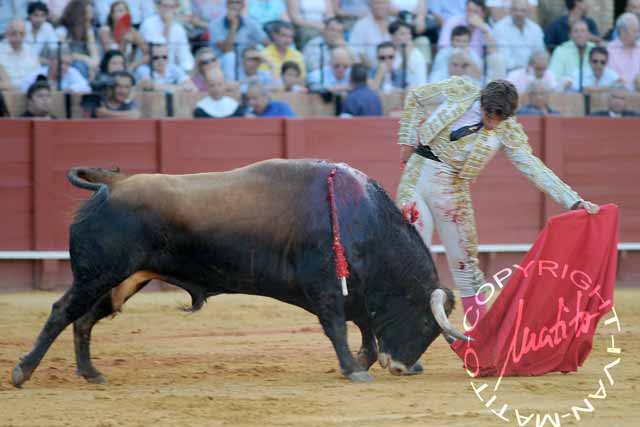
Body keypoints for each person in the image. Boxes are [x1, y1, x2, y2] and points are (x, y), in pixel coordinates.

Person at [396, 76, 599, 325]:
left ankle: (480, 336)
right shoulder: (460, 90)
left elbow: (533, 167)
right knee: (413, 257)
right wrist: (406, 139)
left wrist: (573, 201)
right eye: (488, 114)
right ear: (481, 101)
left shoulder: (507, 130)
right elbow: (416, 96)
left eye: (498, 118)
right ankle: (405, 339)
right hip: (416, 177)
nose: (492, 122)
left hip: (452, 191)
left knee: (465, 265)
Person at [139, 0, 194, 72]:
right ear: (158, 6)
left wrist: (188, 70)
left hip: (171, 71)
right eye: (165, 6)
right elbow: (158, 52)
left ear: (175, 9)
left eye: (171, 7)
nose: (168, 10)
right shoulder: (148, 24)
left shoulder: (179, 29)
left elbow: (185, 55)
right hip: (149, 69)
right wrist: (167, 27)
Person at [492, 0, 545, 73]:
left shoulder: (536, 29)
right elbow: (505, 58)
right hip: (509, 72)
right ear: (510, 10)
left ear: (528, 12)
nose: (518, 13)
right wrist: (522, 71)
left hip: (532, 72)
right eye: (515, 10)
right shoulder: (499, 28)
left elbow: (540, 53)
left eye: (522, 10)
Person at [98, 1, 148, 71]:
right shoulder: (105, 31)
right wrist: (124, 42)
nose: (120, 14)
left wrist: (133, 65)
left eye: (122, 11)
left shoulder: (132, 31)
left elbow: (148, 53)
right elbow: (112, 56)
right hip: (109, 68)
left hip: (126, 68)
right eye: (117, 11)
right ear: (112, 15)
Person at [56, 0, 100, 79]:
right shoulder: (62, 31)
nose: (91, 17)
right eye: (87, 14)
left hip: (86, 66)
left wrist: (87, 62)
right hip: (66, 68)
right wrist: (86, 60)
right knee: (78, 65)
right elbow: (65, 56)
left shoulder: (89, 32)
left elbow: (95, 60)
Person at [21, 44, 91, 93]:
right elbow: (24, 89)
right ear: (51, 61)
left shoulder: (71, 72)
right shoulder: (36, 75)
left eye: (67, 64)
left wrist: (70, 90)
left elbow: (86, 87)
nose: (63, 67)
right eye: (61, 62)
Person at [349, 0, 392, 67]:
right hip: (368, 71)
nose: (380, 6)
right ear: (370, 5)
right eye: (377, 3)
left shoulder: (395, 24)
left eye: (383, 3)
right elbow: (356, 52)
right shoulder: (361, 25)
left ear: (389, 4)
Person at [0, 18, 40, 90]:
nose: (18, 37)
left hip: (30, 94)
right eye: (14, 33)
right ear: (7, 34)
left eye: (21, 34)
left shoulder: (31, 51)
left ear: (25, 35)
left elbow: (38, 77)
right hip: (6, 95)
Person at [606, 13, 640, 92]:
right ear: (622, 31)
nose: (638, 35)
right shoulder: (609, 50)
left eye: (638, 31)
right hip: (617, 97)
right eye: (634, 31)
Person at [388, 19, 427, 88]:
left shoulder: (417, 55)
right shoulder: (386, 53)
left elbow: (421, 84)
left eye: (409, 33)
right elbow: (392, 81)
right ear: (392, 37)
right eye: (402, 34)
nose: (408, 37)